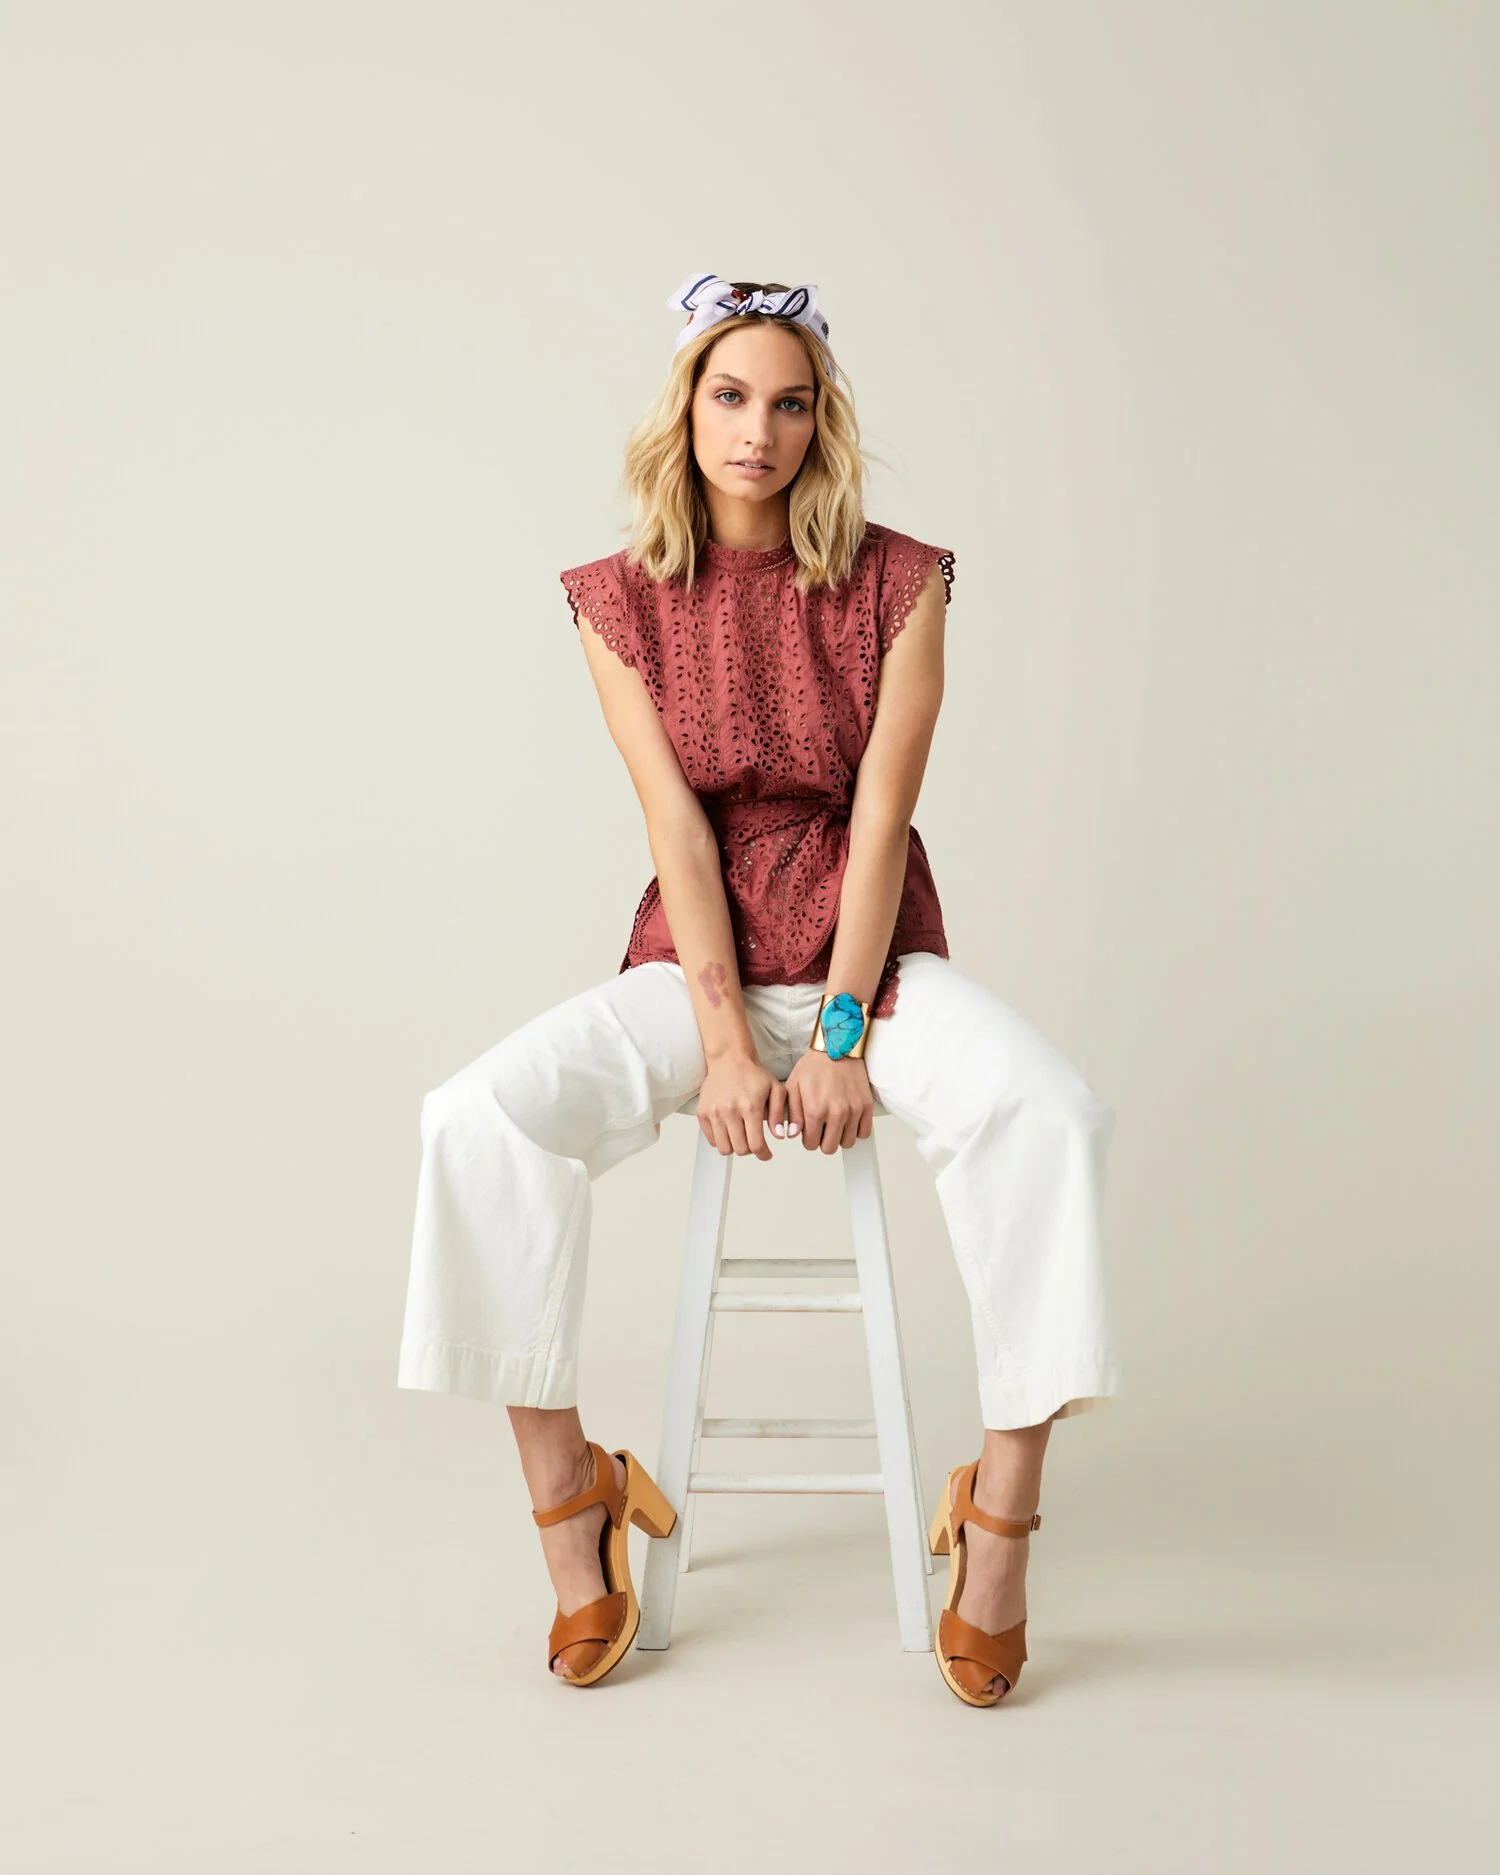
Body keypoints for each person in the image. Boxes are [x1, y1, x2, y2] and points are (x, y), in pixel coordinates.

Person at [397, 274, 1120, 1703]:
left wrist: (842, 1029)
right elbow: (674, 826)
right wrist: (727, 1042)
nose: (760, 427)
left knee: (1057, 1115)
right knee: (475, 1118)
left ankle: (1000, 1521)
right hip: (701, 958)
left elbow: (880, 815)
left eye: (791, 401)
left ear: (820, 420)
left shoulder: (902, 583)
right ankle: (572, 1501)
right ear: (686, 406)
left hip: (870, 961)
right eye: (731, 394)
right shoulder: (619, 602)